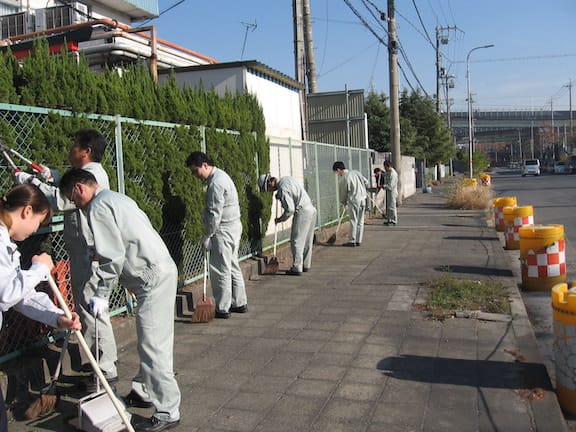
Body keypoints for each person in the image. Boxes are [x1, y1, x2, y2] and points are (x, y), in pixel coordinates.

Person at [58, 168, 181, 432]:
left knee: (153, 346)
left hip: (152, 278)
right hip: (158, 271)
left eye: (71, 198)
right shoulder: (116, 198)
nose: (74, 204)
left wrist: (101, 294)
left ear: (79, 189)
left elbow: (112, 256)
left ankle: (169, 411)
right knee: (157, 342)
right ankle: (148, 391)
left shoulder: (97, 208)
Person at [14, 128, 117, 389]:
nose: (71, 149)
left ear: (86, 151)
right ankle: (102, 365)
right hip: (84, 251)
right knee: (89, 309)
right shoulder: (92, 173)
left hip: (88, 252)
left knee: (91, 311)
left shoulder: (92, 175)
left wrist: (31, 183)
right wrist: (53, 176)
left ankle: (103, 369)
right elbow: (65, 188)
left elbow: (61, 201)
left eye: (75, 145)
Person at [0, 184, 81, 432]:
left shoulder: (7, 243)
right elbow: (5, 294)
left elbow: (21, 296)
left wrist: (58, 318)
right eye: (39, 221)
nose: (38, 229)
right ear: (27, 211)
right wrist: (40, 270)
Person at [186, 151, 248, 319]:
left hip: (223, 230)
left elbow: (215, 214)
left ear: (205, 165)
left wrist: (208, 235)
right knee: (232, 265)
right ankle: (239, 302)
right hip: (234, 227)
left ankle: (223, 307)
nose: (195, 175)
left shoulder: (216, 184)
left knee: (221, 269)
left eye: (195, 171)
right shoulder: (221, 176)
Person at [258, 174, 317, 276]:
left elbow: (290, 209)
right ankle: (305, 265)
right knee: (307, 240)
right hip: (311, 209)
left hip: (302, 211)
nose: (270, 191)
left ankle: (297, 267)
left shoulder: (282, 189)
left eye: (268, 188)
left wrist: (280, 219)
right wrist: (280, 196)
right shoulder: (286, 179)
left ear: (270, 182)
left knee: (296, 240)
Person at [332, 161, 368, 247]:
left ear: (338, 170)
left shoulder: (344, 178)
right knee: (360, 220)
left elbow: (343, 193)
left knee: (353, 220)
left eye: (336, 172)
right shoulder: (356, 172)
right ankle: (358, 240)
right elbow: (366, 182)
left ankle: (352, 240)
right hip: (363, 199)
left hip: (354, 200)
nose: (337, 174)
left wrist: (344, 202)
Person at [383, 160, 399, 226]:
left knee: (392, 206)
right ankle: (389, 219)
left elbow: (391, 185)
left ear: (388, 166)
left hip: (392, 192)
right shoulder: (388, 172)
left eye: (385, 167)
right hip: (388, 191)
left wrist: (383, 186)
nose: (385, 168)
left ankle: (394, 220)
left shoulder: (393, 174)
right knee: (388, 206)